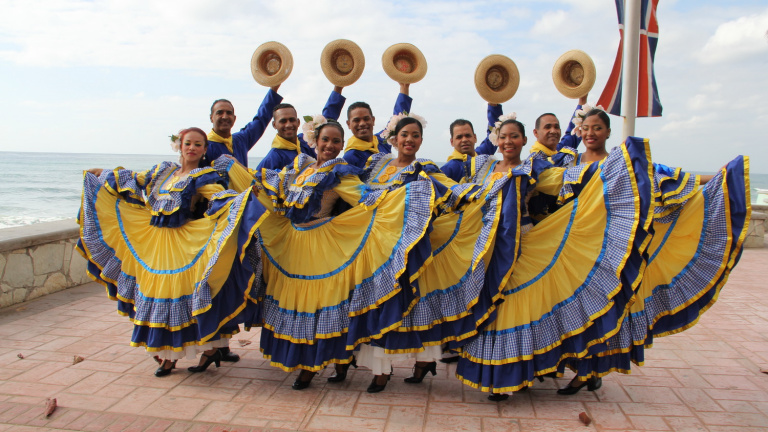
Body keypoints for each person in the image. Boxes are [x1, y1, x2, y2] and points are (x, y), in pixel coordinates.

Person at [216, 116, 437, 390]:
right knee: (295, 304)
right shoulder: (300, 168)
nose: (330, 145)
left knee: (320, 307)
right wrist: (236, 171)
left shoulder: (339, 171)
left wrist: (407, 200)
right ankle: (308, 364)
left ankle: (315, 367)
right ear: (314, 142)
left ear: (343, 144)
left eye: (335, 141)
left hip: (324, 246)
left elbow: (366, 198)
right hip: (292, 244)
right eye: (325, 140)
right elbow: (266, 192)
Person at [453, 116, 654, 401]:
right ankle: (502, 373)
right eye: (503, 137)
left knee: (515, 307)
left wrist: (618, 167)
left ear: (525, 140)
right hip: (487, 246)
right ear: (497, 141)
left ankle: (513, 377)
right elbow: (463, 195)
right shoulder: (484, 169)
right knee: (491, 306)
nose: (508, 142)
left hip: (523, 244)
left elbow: (568, 177)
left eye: (514, 136)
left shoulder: (532, 168)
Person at [554, 109, 751, 394]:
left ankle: (589, 371)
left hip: (610, 249)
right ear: (579, 131)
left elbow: (663, 175)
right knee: (575, 309)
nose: (590, 133)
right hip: (574, 248)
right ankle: (581, 367)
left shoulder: (620, 163)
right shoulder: (568, 161)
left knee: (602, 310)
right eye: (585, 128)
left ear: (608, 133)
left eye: (597, 128)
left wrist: (716, 177)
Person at [76, 127, 268, 377]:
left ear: (204, 149)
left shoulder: (204, 176)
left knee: (180, 297)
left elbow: (218, 197)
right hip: (154, 244)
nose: (192, 148)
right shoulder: (162, 171)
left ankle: (184, 355)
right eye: (188, 143)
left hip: (182, 245)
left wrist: (241, 199)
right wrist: (103, 173)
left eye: (198, 144)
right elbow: (135, 179)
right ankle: (184, 353)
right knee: (154, 295)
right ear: (180, 145)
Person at [256, 86, 346, 171]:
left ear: (298, 122)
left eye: (292, 120)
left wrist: (338, 88)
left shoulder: (307, 140)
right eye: (283, 121)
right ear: (274, 125)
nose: (288, 125)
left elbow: (326, 121)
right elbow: (256, 182)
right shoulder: (272, 159)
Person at [206, 85, 283, 169]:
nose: (225, 117)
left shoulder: (240, 140)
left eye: (229, 113)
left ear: (234, 118)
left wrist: (273, 88)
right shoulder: (204, 147)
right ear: (211, 118)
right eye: (220, 113)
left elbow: (260, 120)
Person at [342, 83, 413, 168]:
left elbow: (397, 119)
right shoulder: (350, 157)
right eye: (356, 120)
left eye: (366, 119)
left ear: (373, 120)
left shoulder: (381, 140)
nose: (362, 124)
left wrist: (404, 87)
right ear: (348, 124)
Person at [441, 103, 503, 182]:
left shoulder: (482, 155)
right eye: (459, 137)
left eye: (468, 135)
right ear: (452, 142)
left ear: (475, 138)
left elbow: (495, 132)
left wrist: (493, 105)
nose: (464, 140)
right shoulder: (448, 169)